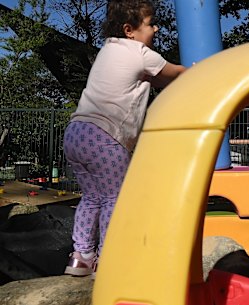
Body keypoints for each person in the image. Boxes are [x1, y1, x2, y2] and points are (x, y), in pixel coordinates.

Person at [63, 0, 187, 276]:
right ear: (130, 30)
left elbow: (149, 79)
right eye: (150, 23)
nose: (155, 28)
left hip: (77, 134)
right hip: (106, 137)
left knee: (91, 197)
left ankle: (81, 256)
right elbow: (174, 74)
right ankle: (109, 259)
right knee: (114, 200)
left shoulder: (109, 49)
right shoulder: (141, 53)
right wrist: (199, 69)